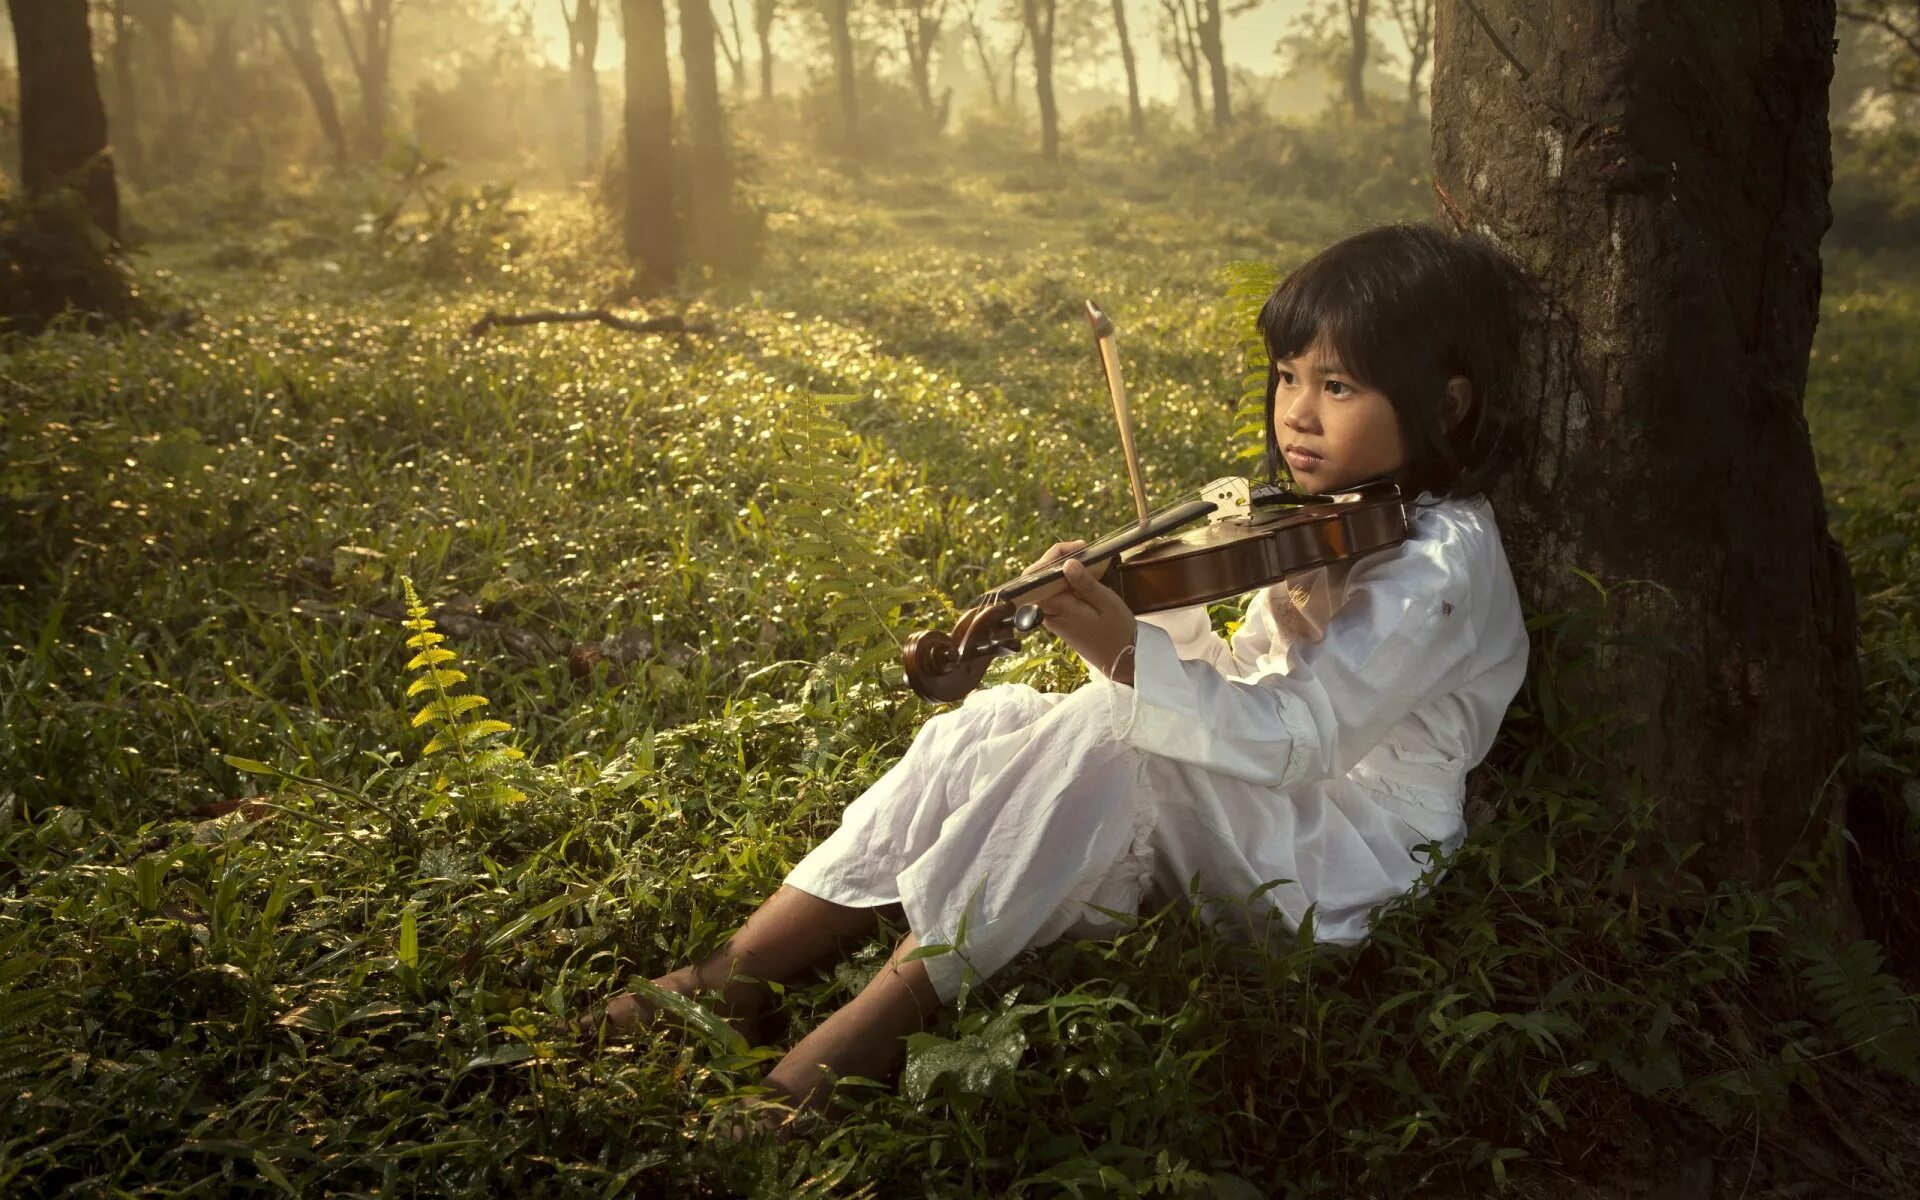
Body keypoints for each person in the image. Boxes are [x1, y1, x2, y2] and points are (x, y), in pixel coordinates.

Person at [572, 221, 1536, 1142]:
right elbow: (1235, 681)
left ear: (1446, 406)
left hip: (1348, 853)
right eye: (1289, 376)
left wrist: (1123, 656)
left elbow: (1297, 738)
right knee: (988, 723)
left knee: (1107, 735)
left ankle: (861, 1035)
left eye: (1339, 385)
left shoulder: (1435, 567)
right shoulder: (1331, 511)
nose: (1297, 413)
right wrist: (1143, 613)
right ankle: (738, 973)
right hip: (1265, 805)